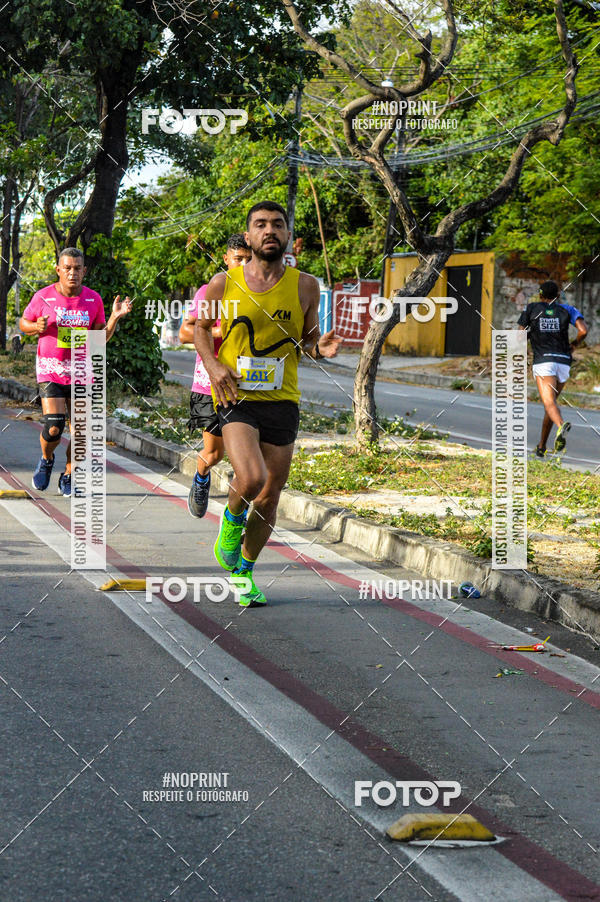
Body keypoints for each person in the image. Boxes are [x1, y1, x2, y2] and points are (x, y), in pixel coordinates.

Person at [195, 200, 342, 607]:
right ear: (249, 236)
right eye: (261, 224)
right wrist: (213, 366)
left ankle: (244, 571)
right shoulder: (224, 282)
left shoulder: (305, 285)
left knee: (271, 495)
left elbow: (307, 341)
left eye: (278, 224)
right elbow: (202, 330)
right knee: (252, 477)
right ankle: (230, 520)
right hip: (235, 397)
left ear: (288, 235)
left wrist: (320, 348)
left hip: (282, 400)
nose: (270, 230)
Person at [19, 247, 132, 496]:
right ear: (58, 270)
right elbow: (23, 322)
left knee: (81, 432)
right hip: (51, 368)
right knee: (54, 425)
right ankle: (47, 459)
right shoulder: (43, 296)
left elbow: (99, 338)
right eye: (67, 268)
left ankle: (69, 475)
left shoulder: (93, 299)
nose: (72, 273)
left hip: (82, 370)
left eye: (77, 268)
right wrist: (35, 326)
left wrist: (115, 317)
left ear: (84, 271)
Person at [179, 234, 251, 518]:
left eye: (249, 259)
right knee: (214, 454)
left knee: (246, 457)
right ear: (226, 259)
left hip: (247, 385)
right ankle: (201, 478)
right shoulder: (210, 291)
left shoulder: (259, 293)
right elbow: (186, 332)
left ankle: (240, 509)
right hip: (209, 383)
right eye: (238, 259)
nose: (244, 265)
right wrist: (221, 331)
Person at [518, 280, 587, 456]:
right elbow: (583, 331)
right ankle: (541, 447)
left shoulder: (532, 309)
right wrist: (574, 344)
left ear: (540, 295)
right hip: (564, 362)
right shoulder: (568, 309)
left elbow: (519, 335)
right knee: (551, 405)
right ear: (558, 295)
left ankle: (560, 425)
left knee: (549, 403)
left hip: (544, 362)